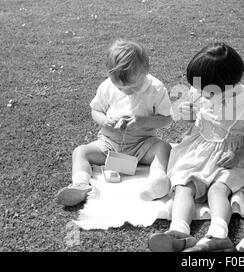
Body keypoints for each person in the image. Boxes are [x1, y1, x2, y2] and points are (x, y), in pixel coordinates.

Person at [147, 43, 244, 252]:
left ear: (227, 86)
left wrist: (238, 155)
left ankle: (219, 235)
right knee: (184, 186)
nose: (200, 93)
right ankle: (179, 232)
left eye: (206, 91)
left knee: (217, 190)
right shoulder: (202, 91)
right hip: (199, 149)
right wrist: (188, 114)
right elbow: (198, 118)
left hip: (229, 156)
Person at [56, 39, 173, 206]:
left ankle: (158, 181)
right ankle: (80, 184)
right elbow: (95, 110)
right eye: (120, 88)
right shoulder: (107, 86)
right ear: (110, 74)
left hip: (143, 145)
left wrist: (142, 121)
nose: (126, 91)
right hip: (109, 145)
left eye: (133, 87)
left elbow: (167, 119)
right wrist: (105, 121)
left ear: (146, 71)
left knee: (164, 148)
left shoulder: (155, 88)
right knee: (80, 151)